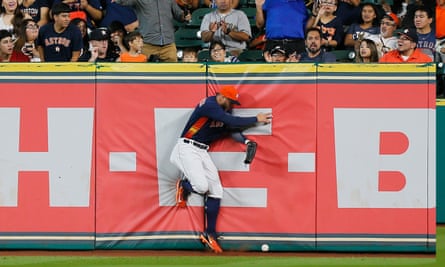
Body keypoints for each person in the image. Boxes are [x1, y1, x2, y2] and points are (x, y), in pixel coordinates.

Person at [170, 85, 272, 253]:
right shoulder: (210, 105)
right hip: (186, 147)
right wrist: (256, 118)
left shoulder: (224, 111)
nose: (232, 106)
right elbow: (232, 121)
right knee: (202, 187)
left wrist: (246, 142)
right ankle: (183, 185)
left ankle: (210, 234)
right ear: (222, 97)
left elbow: (231, 129)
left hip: (202, 150)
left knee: (216, 190)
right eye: (230, 102)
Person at [112, 0, 191, 63]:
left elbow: (179, 15)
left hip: (168, 45)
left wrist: (184, 16)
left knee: (172, 74)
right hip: (148, 44)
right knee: (145, 76)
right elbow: (125, 1)